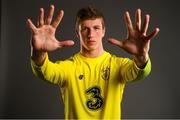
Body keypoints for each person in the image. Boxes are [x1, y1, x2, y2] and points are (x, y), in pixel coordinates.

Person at [27, 4, 159, 119]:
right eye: (85, 29)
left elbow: (140, 72)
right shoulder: (69, 67)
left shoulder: (117, 65)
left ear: (103, 31)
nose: (91, 34)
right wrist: (39, 52)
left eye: (96, 28)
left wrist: (141, 56)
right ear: (77, 33)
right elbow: (44, 71)